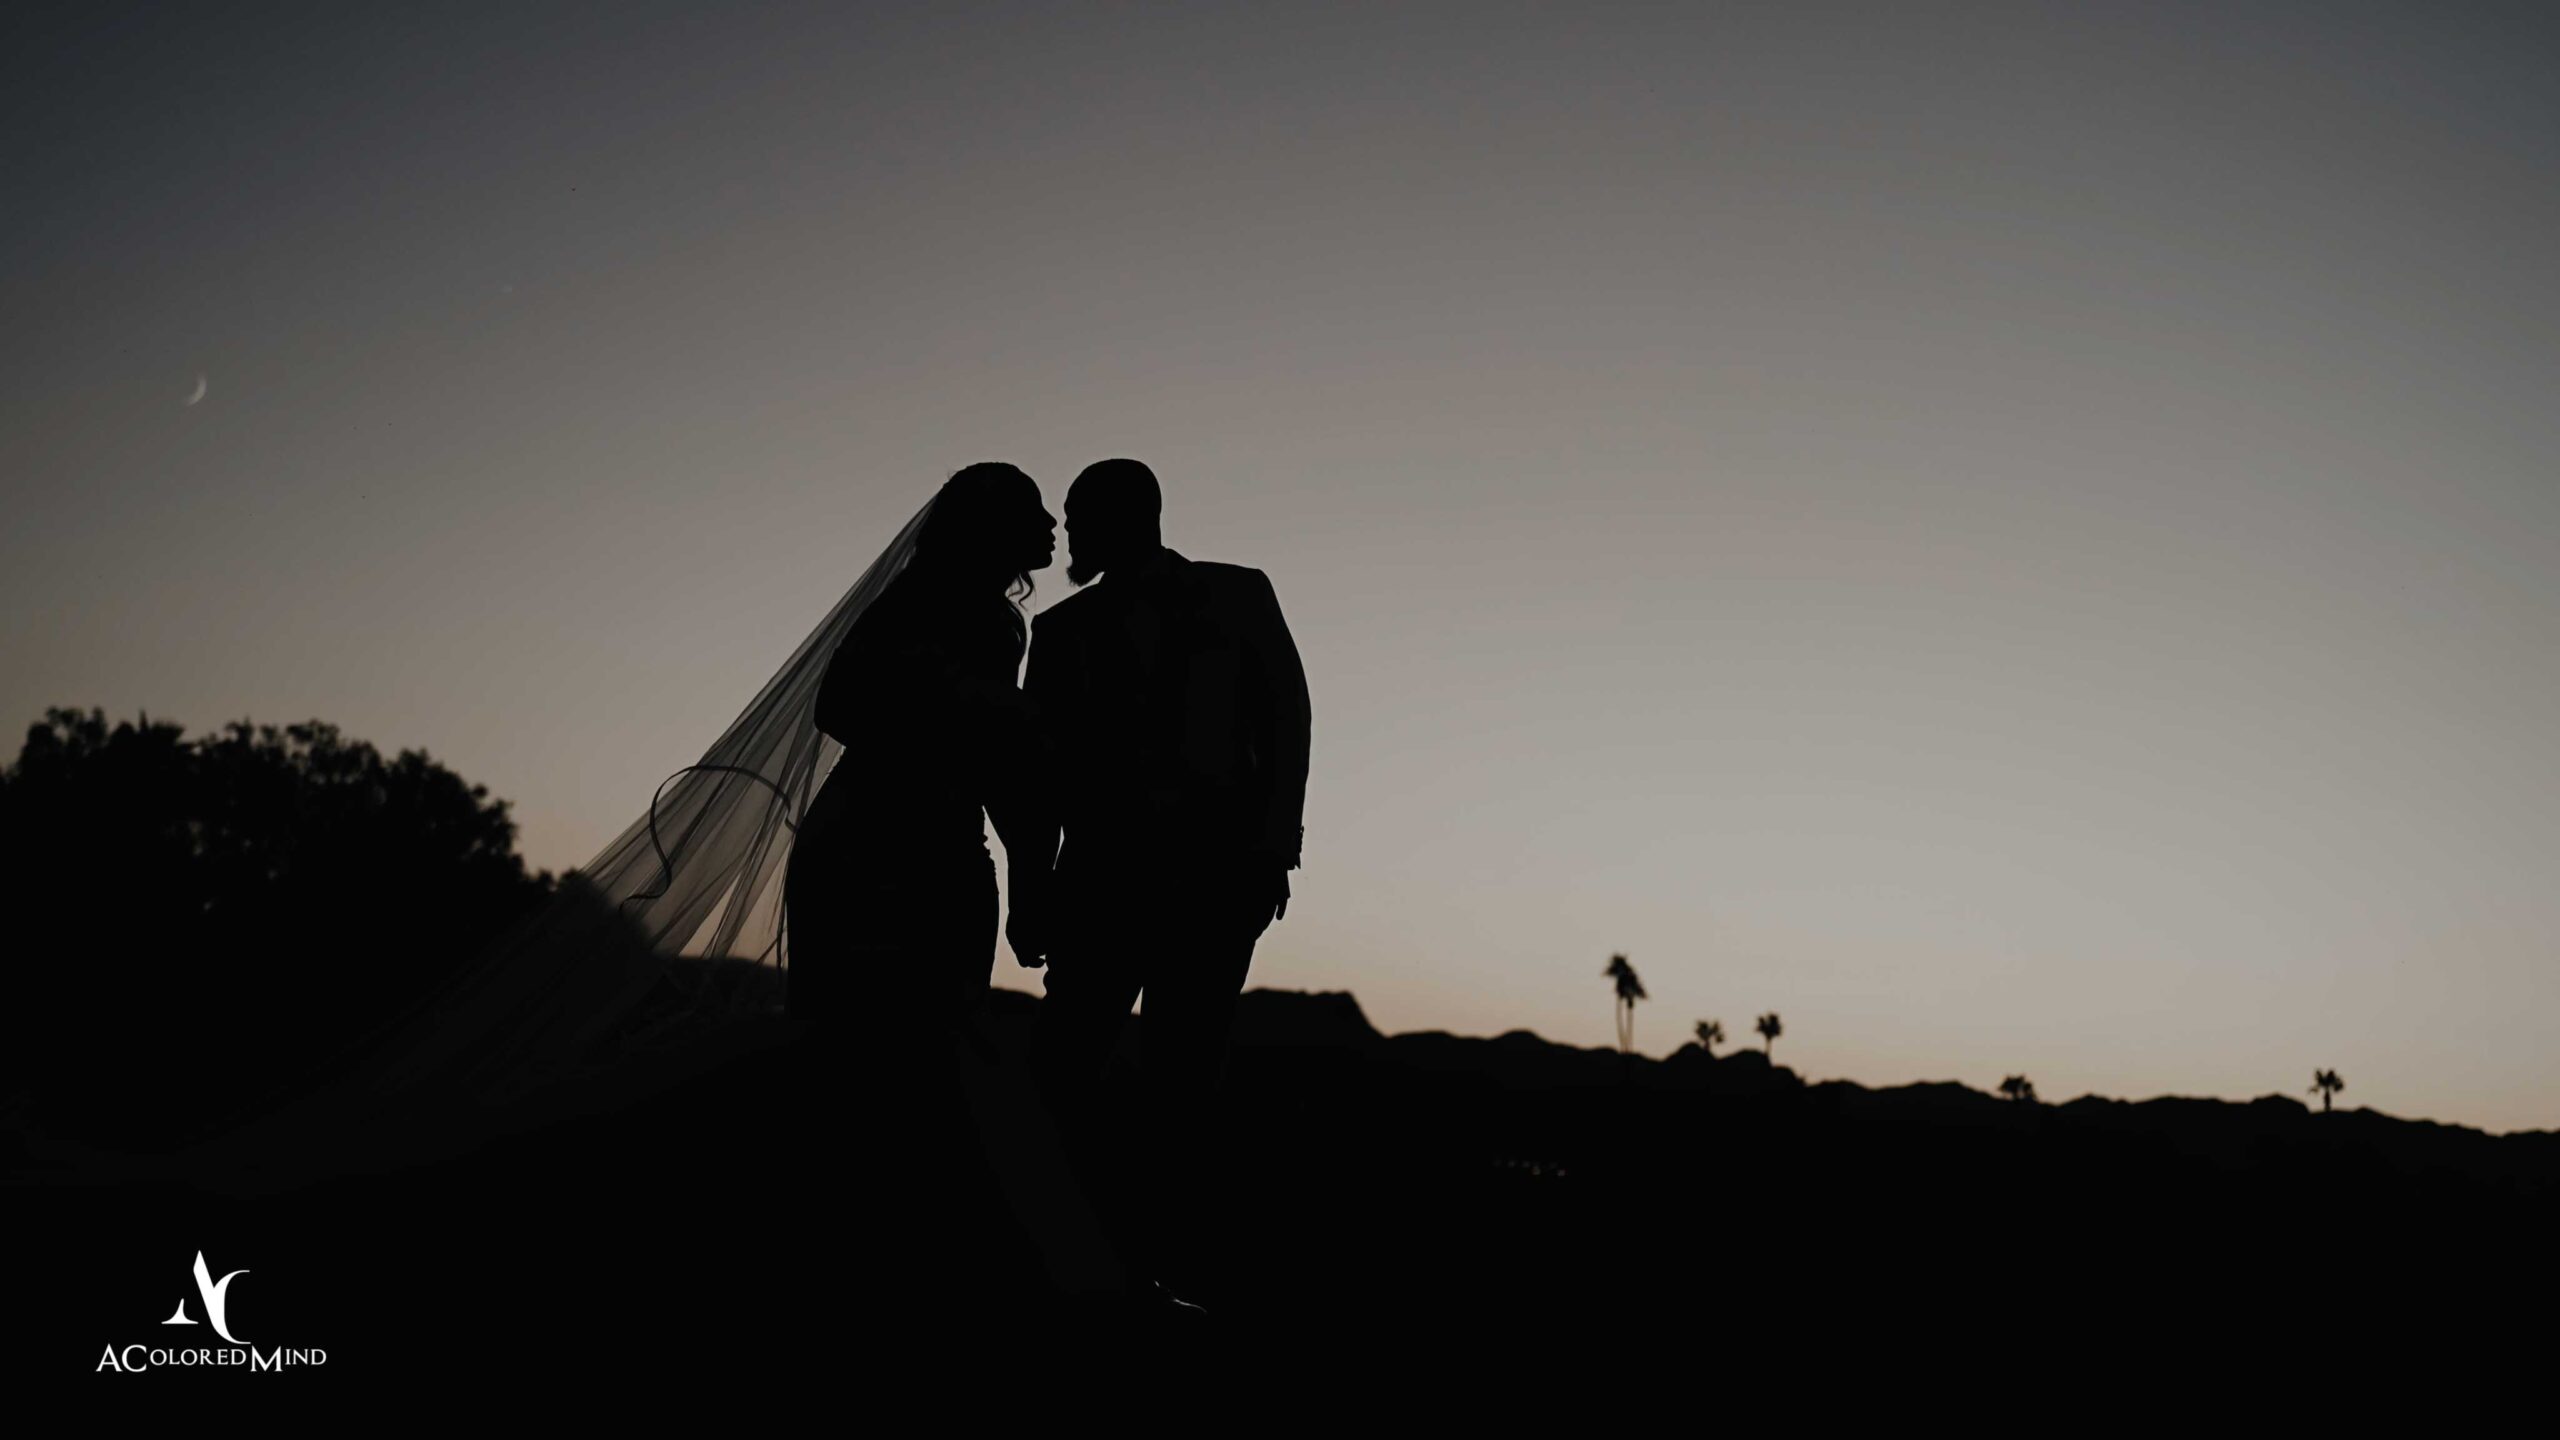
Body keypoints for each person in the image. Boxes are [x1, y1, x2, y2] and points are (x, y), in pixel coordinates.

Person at [1009, 457, 1312, 1312]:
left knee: (1181, 1084)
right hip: (1100, 886)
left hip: (1218, 884)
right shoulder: (1060, 634)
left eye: (1079, 514)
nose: (1066, 531)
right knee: (1060, 1073)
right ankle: (1054, 1257)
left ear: (1134, 514)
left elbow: (1288, 716)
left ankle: (1145, 1270)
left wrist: (1273, 851)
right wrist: (1034, 892)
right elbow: (1043, 773)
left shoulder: (1238, 594)